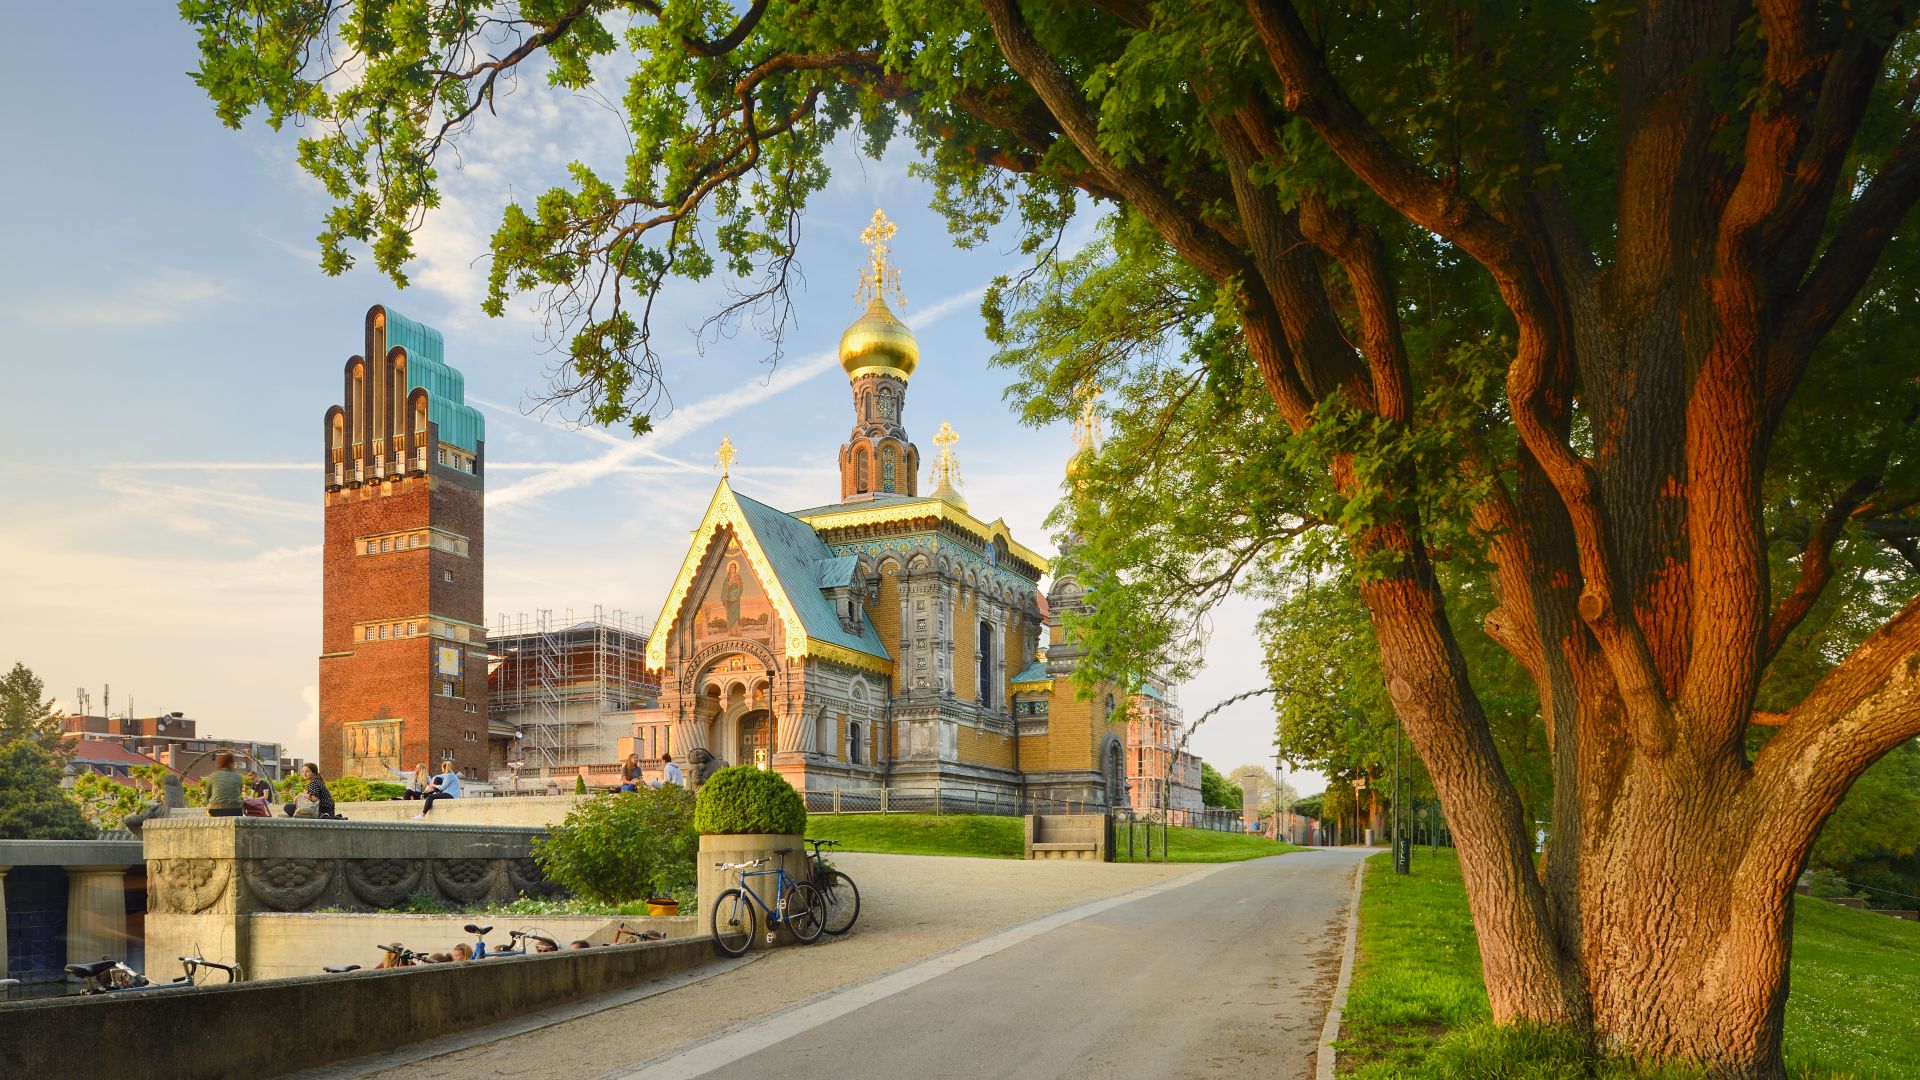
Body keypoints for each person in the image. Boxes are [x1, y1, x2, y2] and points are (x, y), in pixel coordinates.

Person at [205, 753, 245, 817]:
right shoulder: (238, 777)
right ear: (231, 763)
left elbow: (207, 796)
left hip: (215, 810)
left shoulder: (212, 776)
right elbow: (238, 794)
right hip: (235, 810)